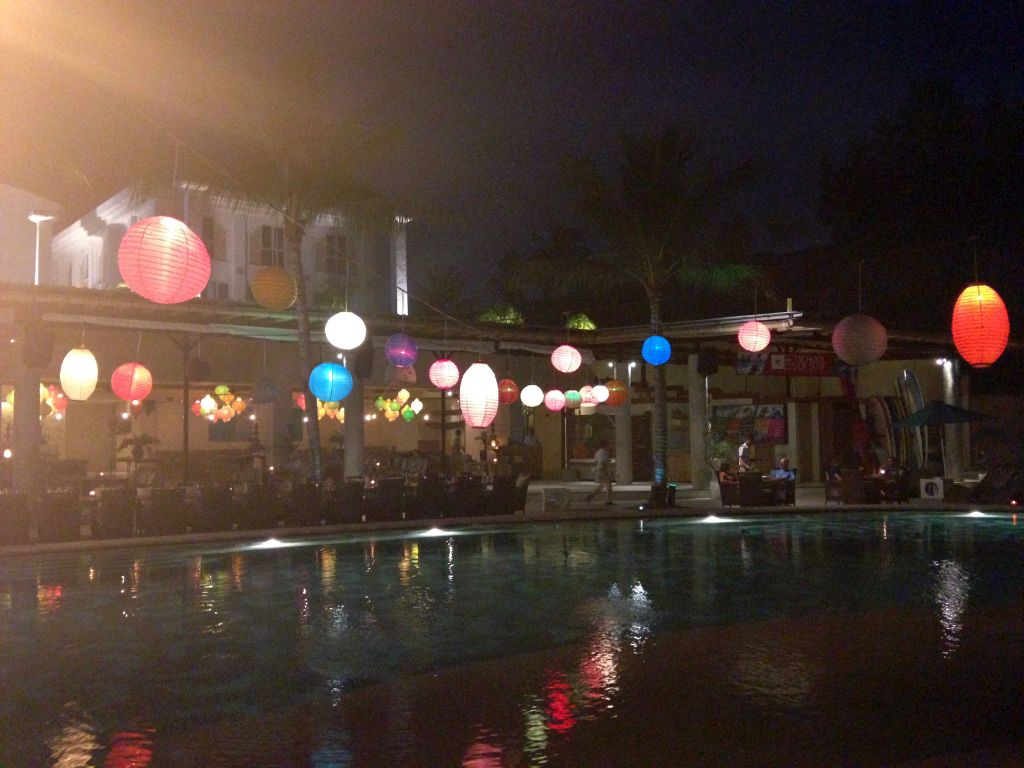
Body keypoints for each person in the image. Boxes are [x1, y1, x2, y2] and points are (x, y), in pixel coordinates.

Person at [586, 439, 613, 506]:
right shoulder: (604, 452)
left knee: (601, 485)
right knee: (609, 485)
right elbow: (602, 462)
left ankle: (591, 495)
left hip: (598, 470)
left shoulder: (597, 452)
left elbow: (596, 461)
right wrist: (606, 471)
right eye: (609, 444)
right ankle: (608, 501)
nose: (610, 446)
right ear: (605, 445)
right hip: (602, 470)